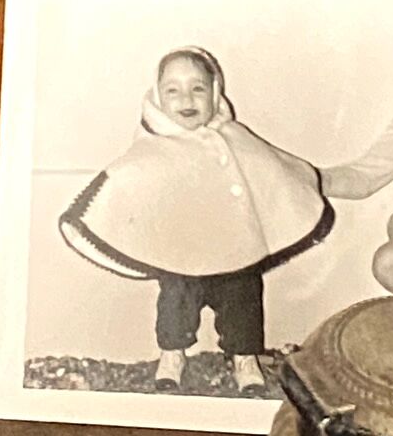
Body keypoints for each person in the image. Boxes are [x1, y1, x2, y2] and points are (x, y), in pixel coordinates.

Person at [58, 44, 332, 390]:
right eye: (173, 90)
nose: (186, 98)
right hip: (179, 251)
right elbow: (127, 178)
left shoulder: (234, 137)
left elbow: (272, 167)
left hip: (236, 249)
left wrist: (308, 179)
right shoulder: (152, 147)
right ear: (158, 96)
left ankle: (244, 357)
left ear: (215, 92)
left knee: (243, 301)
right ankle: (172, 353)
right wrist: (89, 214)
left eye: (198, 88)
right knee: (175, 301)